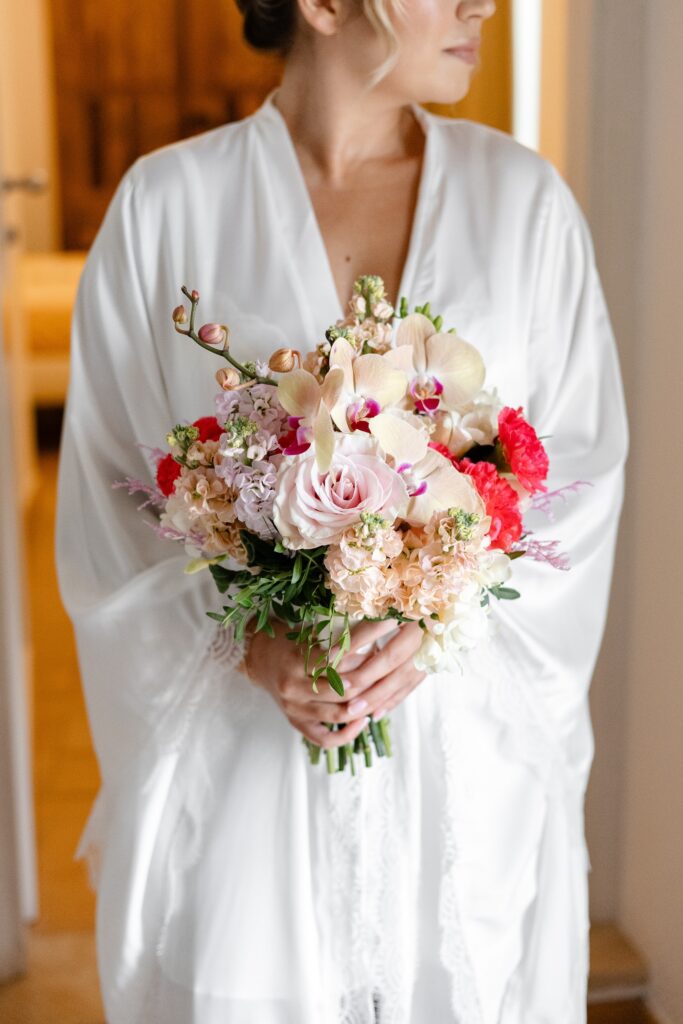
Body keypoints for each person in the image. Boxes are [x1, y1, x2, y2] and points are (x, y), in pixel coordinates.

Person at [55, 0, 629, 1021]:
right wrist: (248, 646)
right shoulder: (167, 208)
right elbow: (111, 499)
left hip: (459, 773)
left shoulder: (523, 205)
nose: (479, 6)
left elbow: (576, 477)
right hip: (246, 797)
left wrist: (435, 616)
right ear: (322, 5)